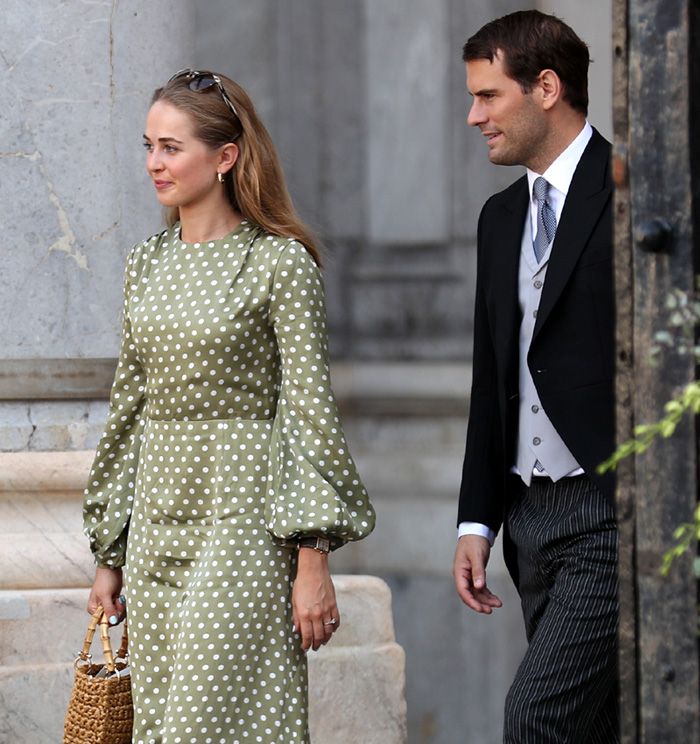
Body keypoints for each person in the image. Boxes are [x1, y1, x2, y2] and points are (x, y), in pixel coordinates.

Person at [83, 68, 375, 744]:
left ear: (225, 157)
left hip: (244, 520)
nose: (155, 163)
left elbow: (309, 414)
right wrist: (110, 553)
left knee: (207, 724)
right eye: (149, 146)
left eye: (172, 147)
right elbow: (129, 409)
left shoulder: (279, 264)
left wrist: (313, 560)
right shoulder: (145, 264)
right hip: (158, 523)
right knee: (159, 726)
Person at [452, 11, 618, 743]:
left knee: (535, 719)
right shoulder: (499, 219)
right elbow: (494, 379)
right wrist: (477, 519)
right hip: (530, 522)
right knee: (598, 728)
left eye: (489, 96)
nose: (473, 115)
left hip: (610, 511)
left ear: (545, 87)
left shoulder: (635, 194)